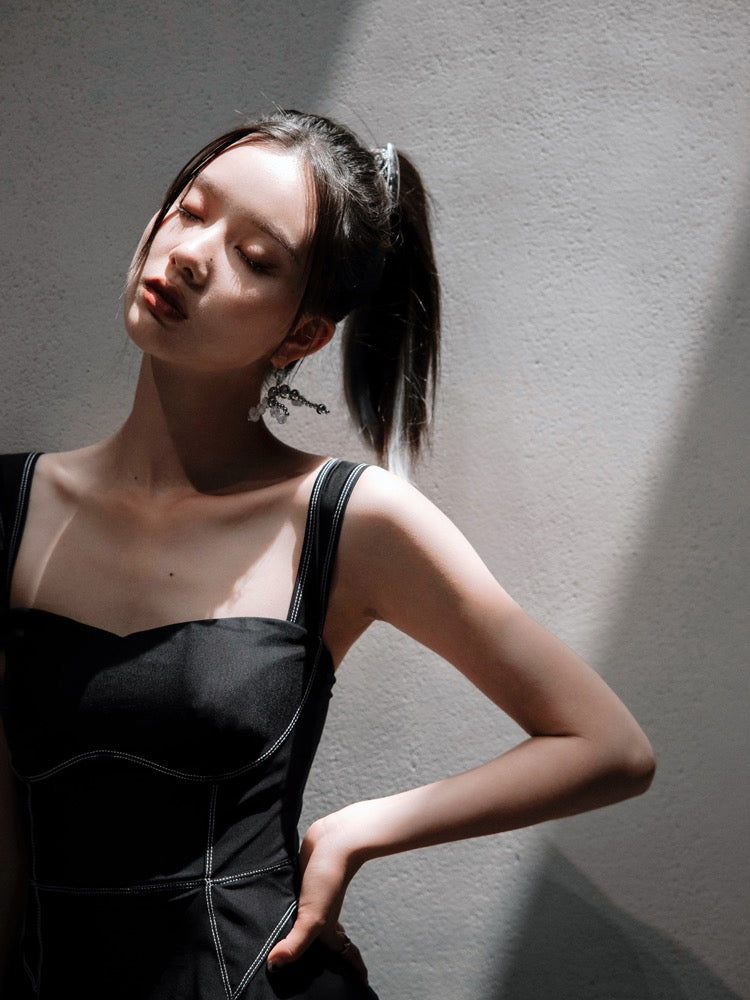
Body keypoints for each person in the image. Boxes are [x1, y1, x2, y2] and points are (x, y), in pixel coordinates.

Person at [0, 109, 655, 999]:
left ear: (303, 335)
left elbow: (608, 745)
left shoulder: (348, 520)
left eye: (255, 258)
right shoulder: (11, 506)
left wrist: (356, 830)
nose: (191, 254)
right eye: (190, 209)